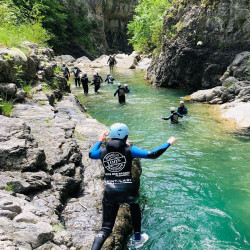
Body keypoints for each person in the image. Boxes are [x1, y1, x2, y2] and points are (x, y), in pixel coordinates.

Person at [89, 123, 178, 250]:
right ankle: (137, 239)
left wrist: (99, 140)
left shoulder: (103, 151)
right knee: (134, 207)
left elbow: (91, 154)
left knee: (106, 228)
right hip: (128, 190)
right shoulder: (130, 150)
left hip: (110, 191)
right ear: (125, 136)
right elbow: (153, 154)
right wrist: (168, 142)